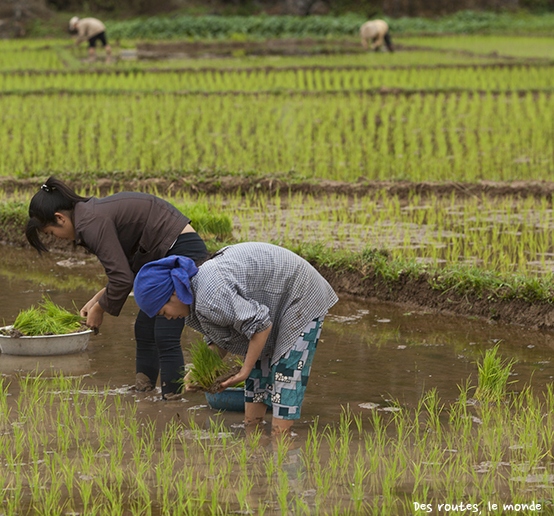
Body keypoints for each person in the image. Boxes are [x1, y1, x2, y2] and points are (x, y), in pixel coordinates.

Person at [25, 177, 208, 398]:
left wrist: (99, 310)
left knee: (164, 334)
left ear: (60, 218)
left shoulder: (90, 223)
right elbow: (125, 273)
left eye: (52, 234)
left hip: (179, 249)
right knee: (143, 327)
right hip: (163, 251)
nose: (58, 239)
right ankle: (144, 393)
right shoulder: (89, 215)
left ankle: (172, 402)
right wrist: (96, 300)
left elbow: (122, 279)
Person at [133, 243, 338, 434]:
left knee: (285, 375)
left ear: (175, 294)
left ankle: (282, 447)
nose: (168, 317)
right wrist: (198, 371)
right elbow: (223, 340)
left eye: (163, 312)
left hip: (300, 293)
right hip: (270, 306)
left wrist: (244, 370)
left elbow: (261, 325)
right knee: (258, 372)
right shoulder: (194, 303)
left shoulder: (209, 296)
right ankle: (255, 444)